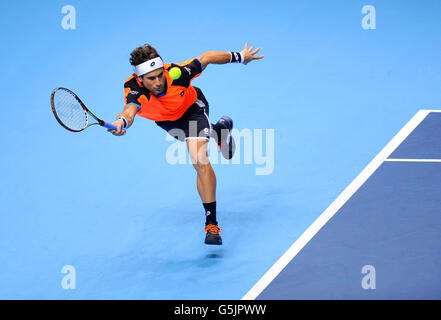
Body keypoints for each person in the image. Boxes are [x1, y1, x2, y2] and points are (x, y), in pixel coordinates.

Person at [109, 42, 264, 245]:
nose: (157, 82)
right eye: (151, 78)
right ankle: (220, 131)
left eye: (159, 75)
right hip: (168, 121)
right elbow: (130, 109)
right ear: (140, 78)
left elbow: (206, 57)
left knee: (199, 159)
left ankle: (211, 224)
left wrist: (240, 56)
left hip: (193, 109)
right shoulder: (134, 89)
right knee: (191, 139)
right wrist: (121, 122)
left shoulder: (178, 74)